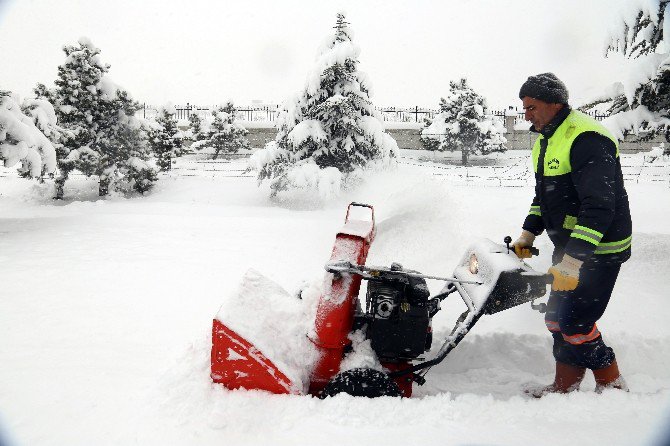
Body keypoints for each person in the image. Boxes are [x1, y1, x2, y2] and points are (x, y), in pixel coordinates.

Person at [513, 73, 632, 397]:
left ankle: (612, 383)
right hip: (569, 247)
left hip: (599, 249)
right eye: (524, 108)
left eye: (532, 107)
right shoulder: (546, 140)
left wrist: (572, 262)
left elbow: (599, 207)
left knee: (575, 323)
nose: (526, 115)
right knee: (555, 319)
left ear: (555, 104)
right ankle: (565, 385)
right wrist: (528, 234)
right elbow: (546, 196)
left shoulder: (587, 138)